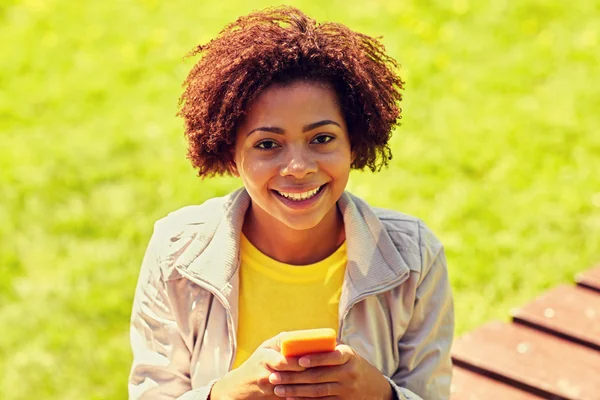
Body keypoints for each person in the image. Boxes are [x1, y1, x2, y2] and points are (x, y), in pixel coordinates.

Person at [128, 6, 454, 400]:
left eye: (322, 139)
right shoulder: (176, 253)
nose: (298, 168)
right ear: (231, 155)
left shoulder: (414, 258)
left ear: (354, 141)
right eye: (267, 144)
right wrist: (223, 394)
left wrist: (380, 393)